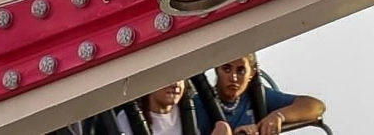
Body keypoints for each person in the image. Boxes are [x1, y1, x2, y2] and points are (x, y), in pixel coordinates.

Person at [194, 55, 325, 135]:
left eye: (240, 71)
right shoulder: (197, 104)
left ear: (252, 73)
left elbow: (315, 107)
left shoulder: (258, 97)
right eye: (227, 69)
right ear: (217, 70)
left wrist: (278, 116)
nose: (233, 78)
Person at [122, 80, 234, 135]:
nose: (175, 84)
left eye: (180, 77)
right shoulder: (125, 119)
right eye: (167, 76)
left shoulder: (194, 110)